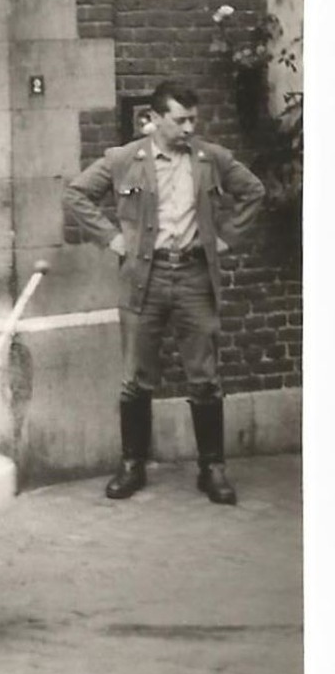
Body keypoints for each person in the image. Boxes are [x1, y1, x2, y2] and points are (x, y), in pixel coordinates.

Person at [63, 80, 264, 505]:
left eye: (193, 119)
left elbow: (253, 191)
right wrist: (113, 240)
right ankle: (132, 464)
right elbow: (76, 193)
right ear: (154, 119)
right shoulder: (123, 159)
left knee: (205, 377)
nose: (190, 128)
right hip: (144, 280)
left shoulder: (211, 159)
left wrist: (224, 239)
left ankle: (212, 468)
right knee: (136, 377)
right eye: (180, 120)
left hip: (194, 277)